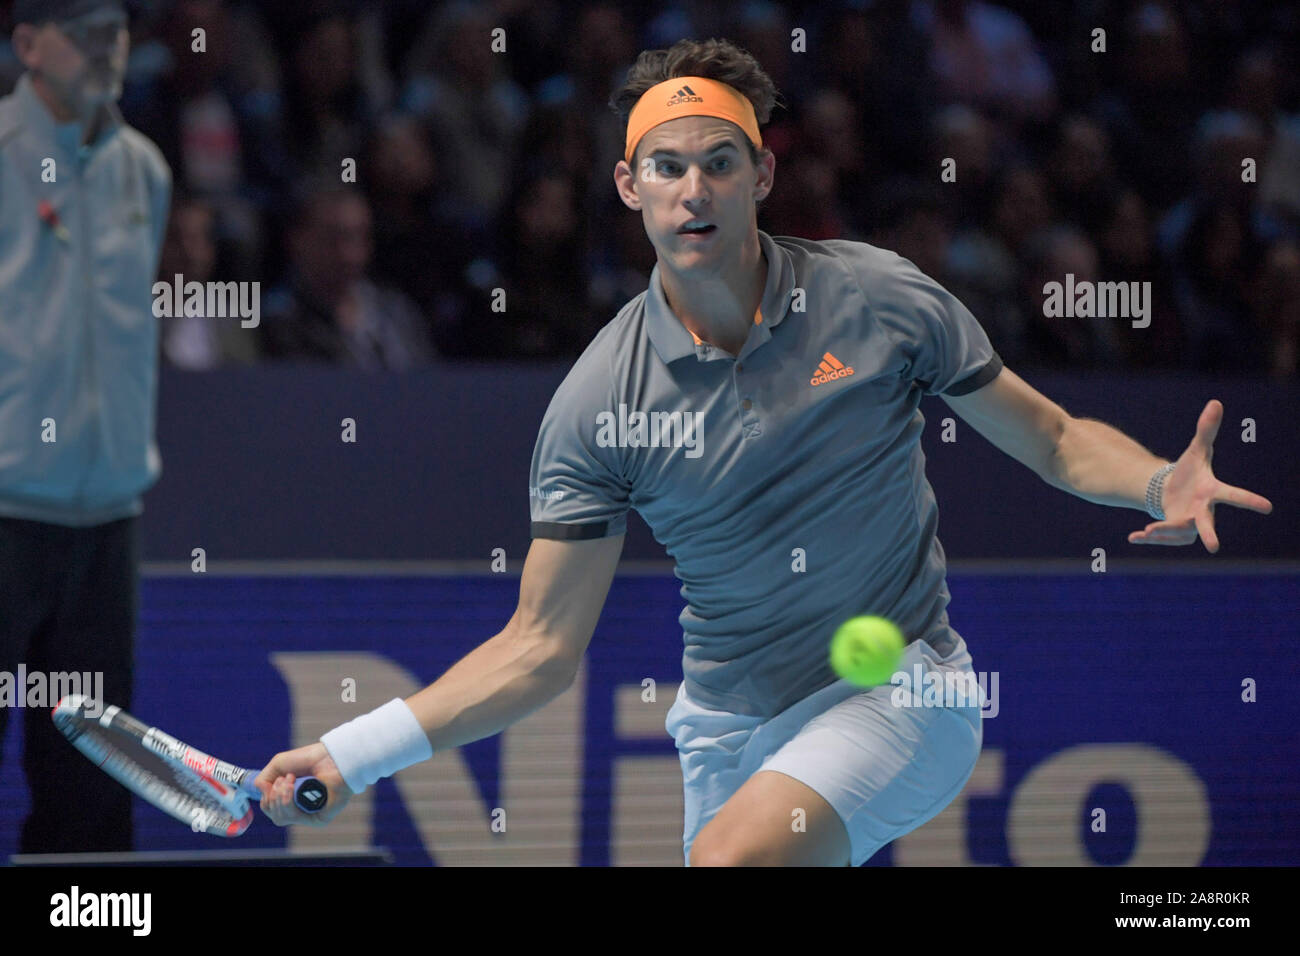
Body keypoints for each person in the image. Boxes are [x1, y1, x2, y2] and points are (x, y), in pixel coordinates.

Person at [255, 39, 1273, 866]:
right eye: (666, 164)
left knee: (739, 861)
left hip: (905, 689)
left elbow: (1047, 436)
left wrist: (1154, 477)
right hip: (724, 724)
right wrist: (353, 751)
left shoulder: (879, 298)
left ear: (761, 174)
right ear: (628, 184)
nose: (692, 188)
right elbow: (538, 646)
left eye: (718, 161)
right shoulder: (598, 401)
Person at [0, 0, 171, 853]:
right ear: (27, 44)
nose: (108, 47)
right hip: (3, 515)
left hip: (107, 522)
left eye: (117, 28)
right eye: (83, 30)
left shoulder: (145, 168)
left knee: (94, 785)